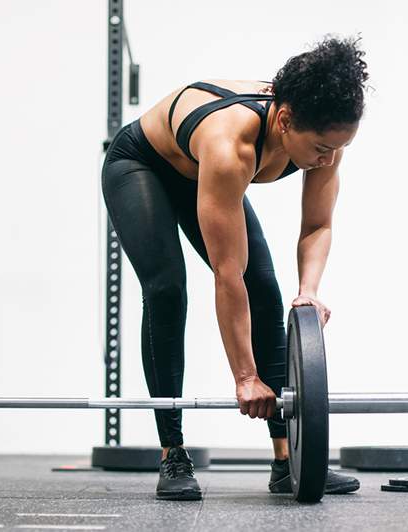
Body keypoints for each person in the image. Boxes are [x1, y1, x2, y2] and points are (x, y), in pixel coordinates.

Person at [101, 35, 368, 500]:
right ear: (284, 121)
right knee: (167, 291)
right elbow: (228, 273)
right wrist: (245, 376)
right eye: (322, 148)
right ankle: (173, 454)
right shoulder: (232, 147)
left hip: (197, 171)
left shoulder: (326, 140)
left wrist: (307, 292)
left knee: (267, 287)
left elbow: (318, 224)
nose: (328, 159)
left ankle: (288, 460)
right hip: (142, 165)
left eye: (338, 148)